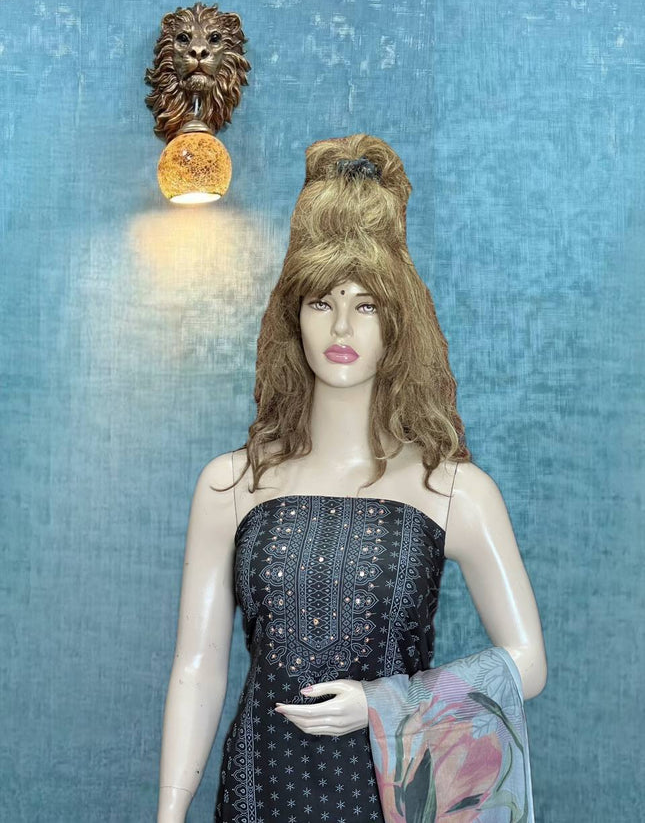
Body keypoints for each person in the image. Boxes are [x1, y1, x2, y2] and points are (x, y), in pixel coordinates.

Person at [156, 133, 547, 823]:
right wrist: (169, 811)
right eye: (321, 302)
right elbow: (197, 667)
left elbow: (527, 662)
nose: (341, 326)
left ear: (398, 323)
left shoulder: (453, 491)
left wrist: (381, 703)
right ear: (294, 316)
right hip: (259, 790)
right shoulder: (231, 485)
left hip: (388, 792)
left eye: (365, 305)